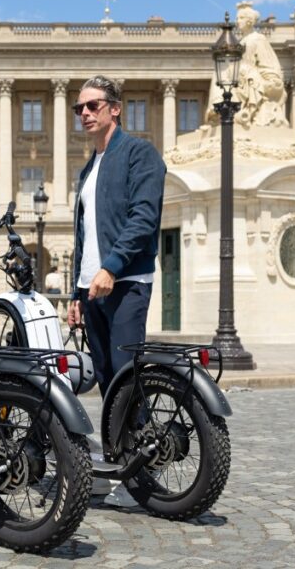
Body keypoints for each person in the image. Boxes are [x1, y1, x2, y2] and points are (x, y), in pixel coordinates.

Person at [65, 75, 166, 509]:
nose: (85, 114)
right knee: (107, 383)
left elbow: (144, 218)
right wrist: (76, 289)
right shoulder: (89, 168)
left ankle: (141, 473)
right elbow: (84, 237)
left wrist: (112, 266)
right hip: (94, 289)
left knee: (127, 380)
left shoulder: (139, 154)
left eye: (92, 106)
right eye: (79, 109)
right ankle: (115, 465)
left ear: (115, 108)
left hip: (126, 283)